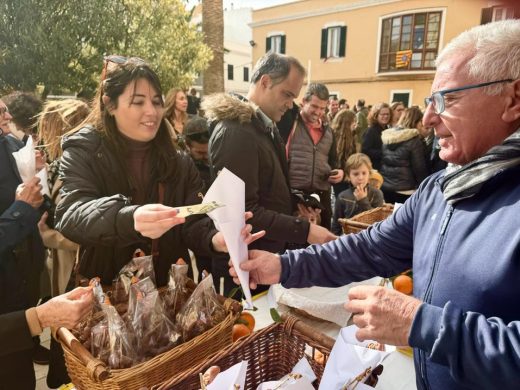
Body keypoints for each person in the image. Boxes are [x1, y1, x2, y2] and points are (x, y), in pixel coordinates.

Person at [230, 20, 520, 390]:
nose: (429, 120)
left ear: (512, 99)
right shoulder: (439, 190)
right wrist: (282, 266)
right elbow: (367, 249)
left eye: (448, 99)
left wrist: (421, 325)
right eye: (430, 102)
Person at [55, 56, 260, 288]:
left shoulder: (179, 160)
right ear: (110, 104)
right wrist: (129, 218)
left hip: (168, 293)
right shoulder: (85, 150)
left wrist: (215, 238)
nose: (151, 111)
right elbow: (70, 214)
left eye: (156, 101)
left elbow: (192, 222)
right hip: (106, 295)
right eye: (138, 102)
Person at [203, 52, 335, 265]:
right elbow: (245, 212)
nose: (291, 105)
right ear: (265, 82)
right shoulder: (237, 132)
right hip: (247, 263)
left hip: (264, 256)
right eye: (287, 95)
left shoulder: (262, 128)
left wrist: (297, 202)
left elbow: (268, 191)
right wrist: (305, 231)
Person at [36, 99, 91, 297]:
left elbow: (91, 238)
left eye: (49, 128)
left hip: (76, 276)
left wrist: (47, 236)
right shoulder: (59, 166)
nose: (45, 136)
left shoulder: (81, 170)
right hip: (62, 269)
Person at [285, 83, 344, 230]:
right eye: (314, 106)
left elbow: (333, 162)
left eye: (323, 108)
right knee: (293, 244)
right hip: (293, 194)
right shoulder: (289, 123)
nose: (318, 112)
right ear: (303, 102)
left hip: (322, 195)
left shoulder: (329, 131)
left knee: (321, 245)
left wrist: (339, 173)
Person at [380, 106, 430, 204]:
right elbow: (419, 168)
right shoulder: (414, 141)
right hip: (406, 189)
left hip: (386, 186)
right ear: (417, 122)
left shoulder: (388, 137)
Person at [331, 153, 384, 235]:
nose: (360, 178)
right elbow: (336, 225)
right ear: (349, 176)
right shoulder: (342, 196)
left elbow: (377, 221)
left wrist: (363, 200)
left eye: (364, 173)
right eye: (356, 174)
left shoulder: (376, 194)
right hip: (349, 238)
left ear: (369, 174)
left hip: (370, 237)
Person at [330, 109, 357, 197]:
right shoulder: (341, 138)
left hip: (341, 176)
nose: (356, 124)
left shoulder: (332, 134)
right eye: (354, 121)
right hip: (340, 177)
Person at [361, 102, 392, 170]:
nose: (386, 116)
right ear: (376, 115)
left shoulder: (387, 129)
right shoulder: (370, 131)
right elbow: (365, 151)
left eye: (387, 114)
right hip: (375, 168)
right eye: (382, 114)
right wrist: (384, 153)